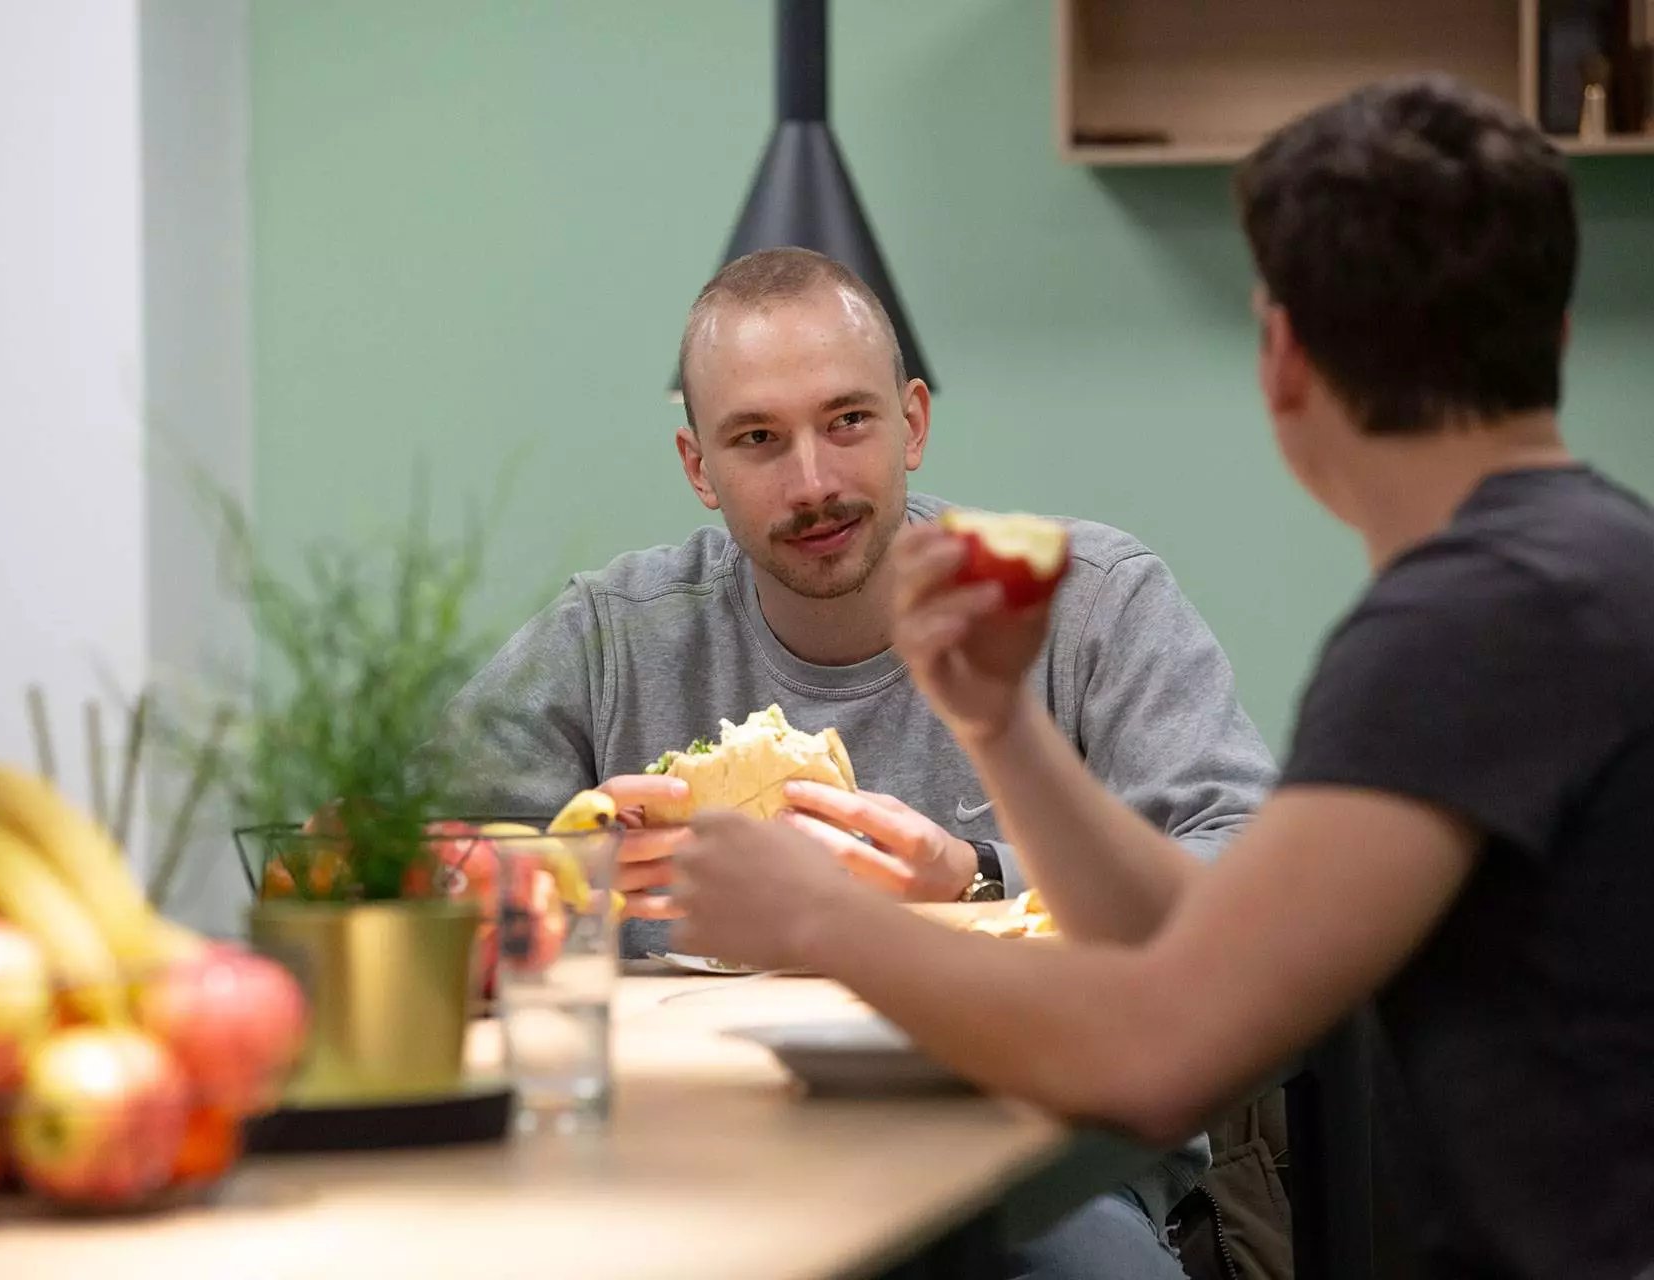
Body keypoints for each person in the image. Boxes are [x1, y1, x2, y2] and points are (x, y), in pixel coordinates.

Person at [673, 77, 1654, 1280]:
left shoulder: (1461, 635)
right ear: (1552, 335)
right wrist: (1003, 733)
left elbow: (1163, 1049)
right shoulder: (1590, 573)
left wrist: (817, 916)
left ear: (1281, 355)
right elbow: (1209, 942)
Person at [453, 246, 1275, 1277]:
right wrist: (575, 871)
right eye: (758, 438)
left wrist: (975, 870)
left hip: (1040, 1165)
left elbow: (1243, 861)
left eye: (848, 421)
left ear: (914, 423)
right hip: (696, 1160)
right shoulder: (612, 636)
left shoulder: (1083, 600)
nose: (814, 482)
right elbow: (386, 867)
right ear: (697, 465)